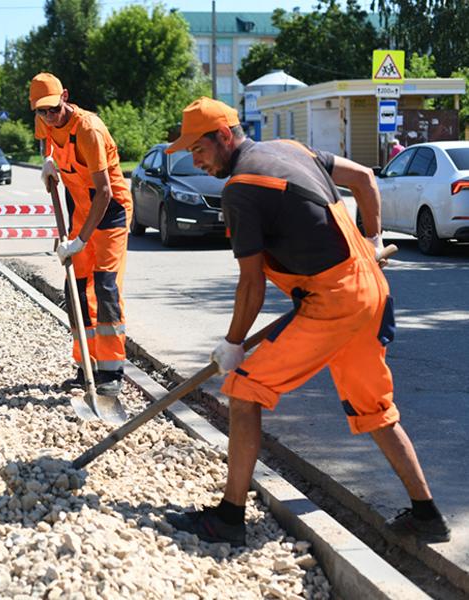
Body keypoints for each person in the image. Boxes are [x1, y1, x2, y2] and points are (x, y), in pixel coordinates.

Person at [163, 97, 450, 546]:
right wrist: (372, 240)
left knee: (244, 390)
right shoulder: (292, 148)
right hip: (369, 290)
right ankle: (427, 515)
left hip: (333, 302)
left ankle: (229, 519)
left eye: (198, 149)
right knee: (374, 410)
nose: (195, 161)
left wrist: (233, 343)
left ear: (222, 136)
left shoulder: (241, 188)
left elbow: (252, 284)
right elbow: (365, 177)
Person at [29, 72, 133, 398]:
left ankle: (111, 371)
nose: (49, 116)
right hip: (80, 213)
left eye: (54, 109)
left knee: (104, 288)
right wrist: (48, 161)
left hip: (110, 213)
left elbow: (104, 192)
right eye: (42, 111)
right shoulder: (45, 120)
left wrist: (80, 241)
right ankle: (86, 366)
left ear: (65, 97)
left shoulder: (89, 130)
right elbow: (46, 140)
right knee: (75, 289)